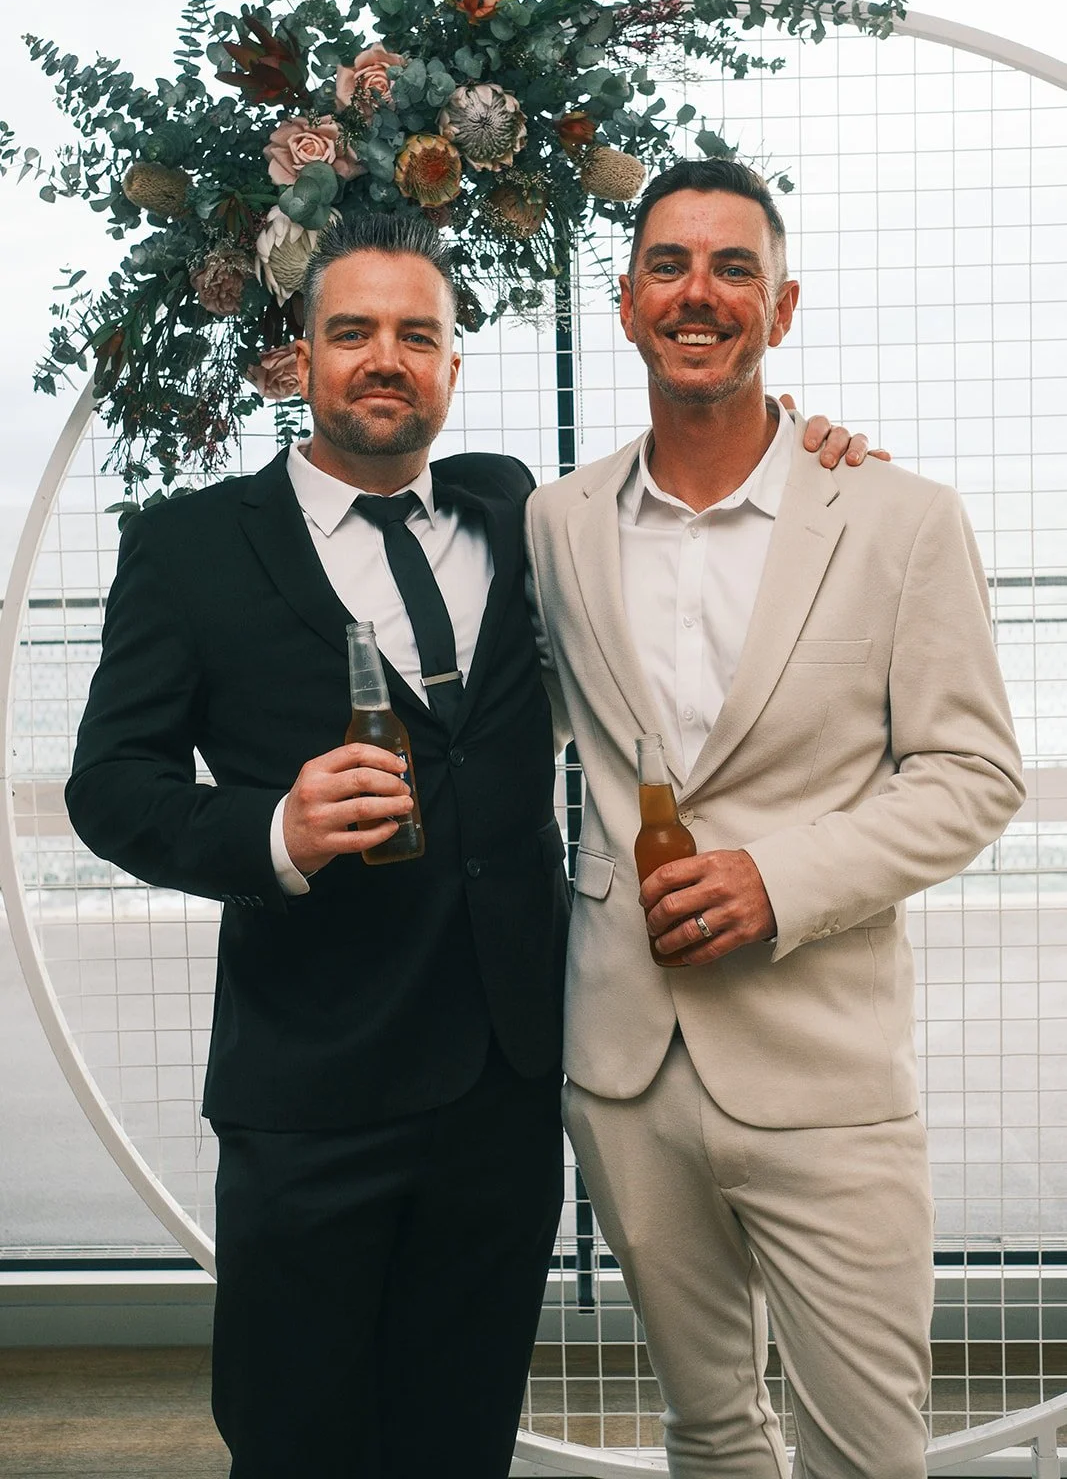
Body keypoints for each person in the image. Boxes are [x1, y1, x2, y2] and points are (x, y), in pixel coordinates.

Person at [65, 209, 875, 1477]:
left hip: (504, 1090)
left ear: (450, 364)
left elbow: (694, 504)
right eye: (351, 334)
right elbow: (110, 786)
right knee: (299, 1443)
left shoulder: (518, 507)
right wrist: (271, 827)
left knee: (459, 1438)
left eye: (416, 335)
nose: (385, 358)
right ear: (298, 359)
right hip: (310, 1093)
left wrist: (813, 447)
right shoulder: (188, 548)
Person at [524, 158, 1025, 1479]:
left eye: (731, 267)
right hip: (621, 1069)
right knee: (708, 1432)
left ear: (780, 307)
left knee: (866, 1453)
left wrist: (778, 879)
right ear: (626, 304)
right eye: (668, 266)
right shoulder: (553, 523)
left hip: (825, 1073)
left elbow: (973, 777)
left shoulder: (898, 519)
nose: (698, 292)